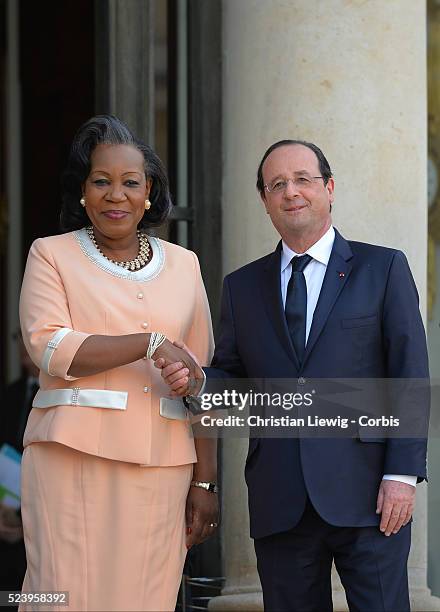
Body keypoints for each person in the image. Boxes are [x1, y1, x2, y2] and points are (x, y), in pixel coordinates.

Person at [157, 140, 429, 611]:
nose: (291, 192)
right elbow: (237, 380)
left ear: (329, 188)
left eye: (303, 179)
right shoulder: (242, 287)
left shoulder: (382, 268)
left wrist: (402, 474)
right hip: (281, 498)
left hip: (370, 495)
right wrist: (200, 381)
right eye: (276, 184)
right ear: (264, 201)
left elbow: (409, 375)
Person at [18, 114, 218, 612]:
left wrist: (206, 482)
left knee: (146, 600)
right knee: (59, 596)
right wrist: (148, 344)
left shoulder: (185, 265)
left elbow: (202, 381)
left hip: (164, 468)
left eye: (131, 183)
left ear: (148, 192)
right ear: (82, 191)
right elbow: (50, 347)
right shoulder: (51, 255)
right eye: (101, 181)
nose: (116, 195)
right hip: (70, 458)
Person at [0, 333, 39, 610]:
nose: (23, 345)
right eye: (19, 337)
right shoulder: (8, 394)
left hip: (42, 513)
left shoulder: (65, 399)